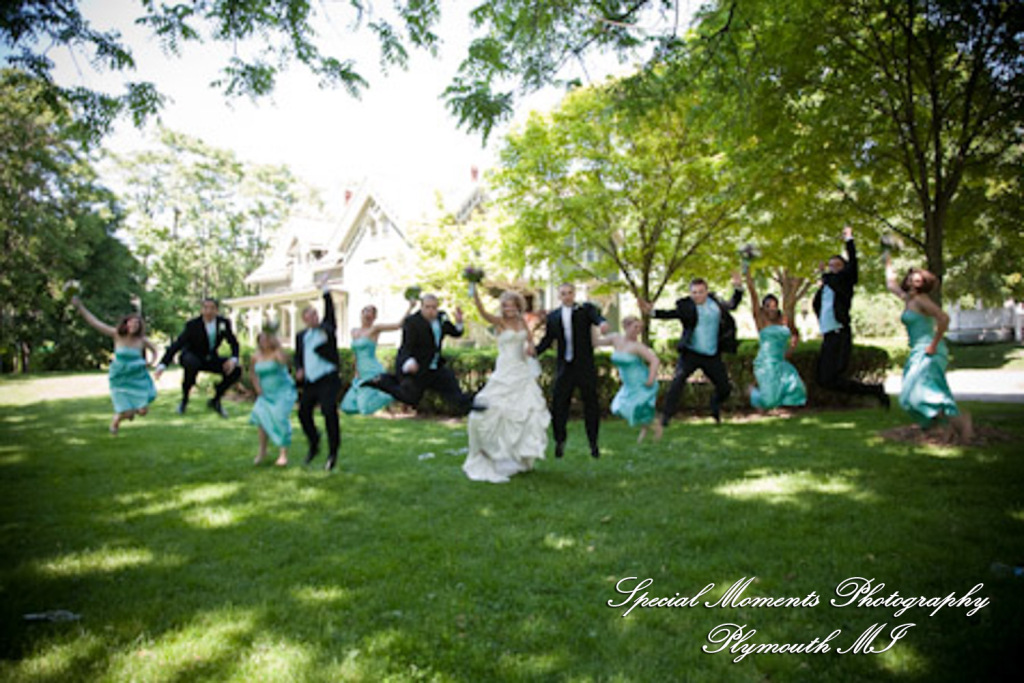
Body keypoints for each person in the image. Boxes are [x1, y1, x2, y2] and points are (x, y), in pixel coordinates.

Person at [463, 288, 549, 483]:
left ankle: (517, 454)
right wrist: (474, 291)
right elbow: (483, 313)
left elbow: (530, 343)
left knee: (524, 412)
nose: (508, 308)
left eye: (512, 304)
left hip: (521, 371)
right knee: (491, 409)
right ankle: (488, 452)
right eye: (505, 305)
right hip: (504, 371)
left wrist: (530, 348)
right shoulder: (499, 322)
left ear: (518, 306)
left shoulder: (522, 322)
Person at [885, 255, 973, 442]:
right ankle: (944, 428)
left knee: (926, 393)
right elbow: (890, 284)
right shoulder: (908, 298)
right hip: (918, 350)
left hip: (930, 350)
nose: (913, 280)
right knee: (909, 395)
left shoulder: (922, 300)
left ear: (924, 283)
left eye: (918, 279)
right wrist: (887, 257)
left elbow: (944, 318)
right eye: (911, 277)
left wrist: (933, 344)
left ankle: (960, 423)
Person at [638, 274, 743, 426]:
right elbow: (671, 314)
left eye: (700, 292)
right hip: (691, 354)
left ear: (706, 292)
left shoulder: (716, 305)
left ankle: (714, 403)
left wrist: (738, 287)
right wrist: (652, 312)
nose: (697, 295)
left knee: (725, 388)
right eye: (694, 292)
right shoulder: (687, 307)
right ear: (690, 293)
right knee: (677, 381)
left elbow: (733, 304)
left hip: (711, 355)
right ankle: (665, 417)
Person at [366, 294, 482, 415]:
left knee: (451, 387)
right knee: (411, 398)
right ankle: (383, 381)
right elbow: (406, 346)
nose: (431, 311)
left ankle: (473, 406)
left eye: (433, 307)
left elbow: (455, 332)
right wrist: (409, 362)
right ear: (421, 307)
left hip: (435, 368)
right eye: (427, 307)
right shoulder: (412, 322)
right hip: (418, 368)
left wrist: (459, 322)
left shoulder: (441, 318)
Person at [812, 226, 889, 407]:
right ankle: (874, 390)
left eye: (836, 266)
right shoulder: (825, 286)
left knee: (834, 374)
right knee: (823, 379)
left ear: (843, 268)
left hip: (840, 333)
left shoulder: (845, 282)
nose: (832, 269)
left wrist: (849, 240)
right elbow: (817, 305)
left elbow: (853, 263)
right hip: (829, 335)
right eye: (830, 266)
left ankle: (874, 392)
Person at [532, 283, 609, 459]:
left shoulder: (585, 309)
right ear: (559, 296)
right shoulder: (553, 317)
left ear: (574, 294)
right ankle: (560, 442)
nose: (567, 296)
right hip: (565, 367)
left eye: (570, 293)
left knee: (591, 404)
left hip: (584, 367)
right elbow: (547, 340)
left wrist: (603, 323)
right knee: (559, 405)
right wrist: (533, 352)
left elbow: (597, 318)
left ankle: (593, 444)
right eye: (563, 294)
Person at [72, 296, 158, 434]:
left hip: (137, 377)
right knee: (127, 412)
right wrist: (80, 307)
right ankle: (117, 419)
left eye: (136, 324)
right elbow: (95, 323)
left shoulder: (141, 340)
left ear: (139, 327)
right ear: (126, 324)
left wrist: (151, 363)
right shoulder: (117, 334)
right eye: (131, 323)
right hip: (120, 376)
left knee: (143, 411)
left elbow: (154, 350)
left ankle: (123, 414)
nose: (133, 326)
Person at [154, 298, 241, 417]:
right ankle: (184, 400)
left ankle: (215, 400)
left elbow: (234, 342)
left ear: (217, 310)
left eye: (212, 308)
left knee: (237, 370)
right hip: (191, 355)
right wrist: (163, 364)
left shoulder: (223, 323)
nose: (209, 311)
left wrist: (233, 359)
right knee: (192, 364)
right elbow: (177, 344)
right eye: (206, 308)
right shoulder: (192, 325)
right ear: (201, 310)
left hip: (210, 358)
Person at [743, 267, 807, 410]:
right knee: (769, 401)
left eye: (774, 306)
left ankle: (787, 412)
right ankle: (752, 393)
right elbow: (753, 295)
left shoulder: (784, 320)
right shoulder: (761, 321)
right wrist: (748, 275)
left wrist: (791, 348)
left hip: (781, 361)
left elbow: (795, 333)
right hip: (765, 363)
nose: (771, 309)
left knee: (796, 386)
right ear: (763, 308)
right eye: (767, 306)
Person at [295, 276, 342, 471]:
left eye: (315, 315)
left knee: (329, 411)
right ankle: (314, 443)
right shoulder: (300, 337)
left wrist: (325, 290)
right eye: (310, 316)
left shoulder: (326, 330)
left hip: (328, 379)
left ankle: (332, 453)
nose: (314, 318)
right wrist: (299, 368)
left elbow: (330, 312)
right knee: (303, 413)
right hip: (310, 382)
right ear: (304, 320)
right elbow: (298, 356)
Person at [341, 299, 414, 416]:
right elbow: (355, 353)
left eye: (371, 312)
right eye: (366, 311)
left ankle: (393, 395)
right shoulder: (354, 332)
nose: (368, 314)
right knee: (347, 407)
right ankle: (387, 394)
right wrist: (356, 372)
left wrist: (410, 307)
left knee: (365, 410)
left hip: (372, 370)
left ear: (374, 317)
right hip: (360, 373)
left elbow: (398, 325)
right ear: (361, 313)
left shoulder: (375, 329)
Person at [598, 315, 663, 443]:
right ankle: (653, 428)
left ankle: (654, 429)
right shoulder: (616, 339)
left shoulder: (637, 346)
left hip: (641, 380)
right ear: (626, 327)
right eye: (635, 327)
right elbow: (597, 342)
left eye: (640, 328)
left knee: (639, 408)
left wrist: (650, 378)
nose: (638, 330)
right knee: (618, 407)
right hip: (628, 383)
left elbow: (654, 360)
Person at [249, 331, 297, 466]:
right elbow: (253, 374)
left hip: (282, 391)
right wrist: (257, 388)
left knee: (280, 419)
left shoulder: (277, 354)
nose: (264, 342)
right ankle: (262, 451)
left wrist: (277, 347)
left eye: (267, 339)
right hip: (265, 393)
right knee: (261, 418)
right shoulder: (255, 356)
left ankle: (283, 455)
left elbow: (285, 362)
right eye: (261, 339)